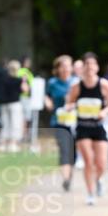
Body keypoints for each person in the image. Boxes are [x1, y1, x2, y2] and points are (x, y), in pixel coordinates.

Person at [65, 52, 108, 205]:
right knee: (88, 161)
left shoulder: (104, 84)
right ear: (83, 68)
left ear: (97, 67)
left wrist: (104, 112)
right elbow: (68, 102)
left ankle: (99, 179)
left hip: (99, 126)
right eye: (87, 65)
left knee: (101, 163)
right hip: (83, 127)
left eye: (93, 64)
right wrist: (72, 106)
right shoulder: (76, 86)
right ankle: (90, 193)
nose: (90, 68)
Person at [45, 54, 75, 191]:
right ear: (57, 69)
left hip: (75, 121)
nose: (65, 69)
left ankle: (69, 175)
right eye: (62, 67)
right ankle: (66, 178)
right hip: (59, 121)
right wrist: (48, 102)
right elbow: (46, 95)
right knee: (64, 149)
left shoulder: (76, 82)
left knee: (72, 151)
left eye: (68, 66)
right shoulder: (52, 83)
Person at [0, 60, 28, 153]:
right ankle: (12, 144)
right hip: (15, 104)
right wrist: (24, 80)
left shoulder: (3, 79)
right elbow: (25, 90)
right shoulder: (18, 80)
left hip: (4, 104)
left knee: (5, 123)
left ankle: (3, 144)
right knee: (15, 123)